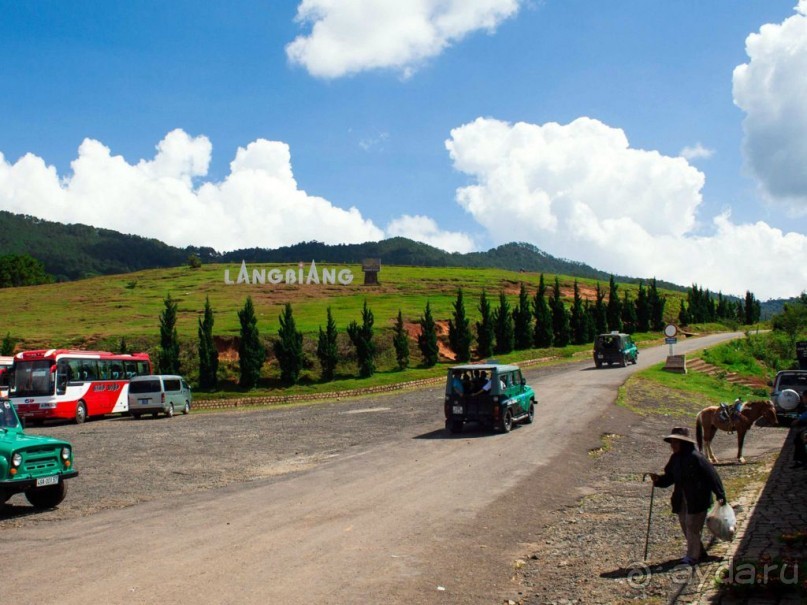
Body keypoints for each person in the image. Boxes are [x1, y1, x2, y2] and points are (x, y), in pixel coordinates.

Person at [649, 427, 727, 565]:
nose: (672, 446)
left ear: (683, 443)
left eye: (675, 442)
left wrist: (720, 494)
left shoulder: (697, 458)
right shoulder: (675, 459)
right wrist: (658, 480)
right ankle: (700, 552)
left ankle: (693, 556)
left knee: (692, 526)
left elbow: (712, 477)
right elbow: (670, 478)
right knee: (686, 525)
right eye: (672, 442)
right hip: (682, 499)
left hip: (698, 498)